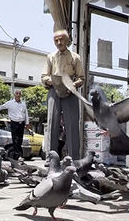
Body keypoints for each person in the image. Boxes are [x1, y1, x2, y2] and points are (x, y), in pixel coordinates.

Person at [41, 29, 85, 159]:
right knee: (52, 123)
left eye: (61, 39)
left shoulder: (75, 57)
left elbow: (81, 77)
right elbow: (44, 76)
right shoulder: (50, 57)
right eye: (56, 40)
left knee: (72, 125)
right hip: (54, 90)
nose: (59, 42)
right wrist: (51, 81)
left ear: (67, 40)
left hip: (70, 92)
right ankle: (51, 158)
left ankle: (74, 159)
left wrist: (73, 84)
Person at [0, 90, 30, 159]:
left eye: (19, 94)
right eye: (17, 93)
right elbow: (1, 107)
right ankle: (17, 154)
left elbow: (26, 114)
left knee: (20, 139)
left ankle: (18, 153)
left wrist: (27, 123)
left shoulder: (23, 104)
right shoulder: (10, 103)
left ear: (21, 95)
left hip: (21, 123)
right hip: (14, 123)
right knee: (15, 139)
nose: (18, 95)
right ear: (14, 95)